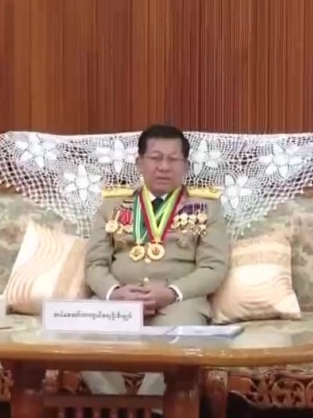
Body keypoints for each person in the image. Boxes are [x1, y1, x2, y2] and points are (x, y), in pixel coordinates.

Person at [81, 124, 230, 409]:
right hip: (119, 301)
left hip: (179, 304)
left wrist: (172, 292)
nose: (163, 166)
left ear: (185, 166)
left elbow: (214, 267)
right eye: (155, 158)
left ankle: (152, 411)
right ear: (140, 163)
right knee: (80, 332)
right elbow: (95, 264)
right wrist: (115, 293)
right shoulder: (113, 206)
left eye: (173, 159)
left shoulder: (207, 207)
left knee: (182, 339)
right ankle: (119, 408)